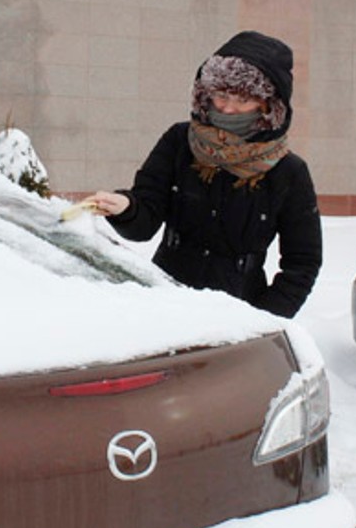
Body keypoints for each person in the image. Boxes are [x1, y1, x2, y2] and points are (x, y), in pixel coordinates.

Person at [84, 31, 322, 318]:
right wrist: (126, 208)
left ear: (268, 106)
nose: (228, 108)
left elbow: (303, 262)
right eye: (220, 95)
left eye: (243, 99)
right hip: (164, 302)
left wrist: (264, 318)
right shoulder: (179, 141)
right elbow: (145, 221)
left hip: (237, 314)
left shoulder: (288, 172)